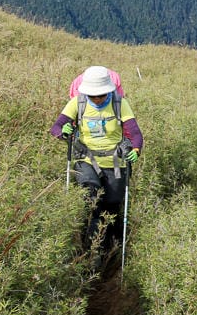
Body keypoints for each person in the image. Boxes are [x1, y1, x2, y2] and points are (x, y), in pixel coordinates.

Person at [50, 65, 143, 259]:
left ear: (108, 90)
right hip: (86, 160)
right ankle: (91, 251)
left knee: (112, 204)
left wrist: (136, 150)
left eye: (101, 95)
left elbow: (135, 134)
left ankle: (110, 247)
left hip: (115, 163)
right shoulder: (78, 102)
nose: (97, 99)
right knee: (91, 198)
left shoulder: (120, 103)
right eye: (93, 95)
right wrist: (63, 132)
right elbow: (57, 127)